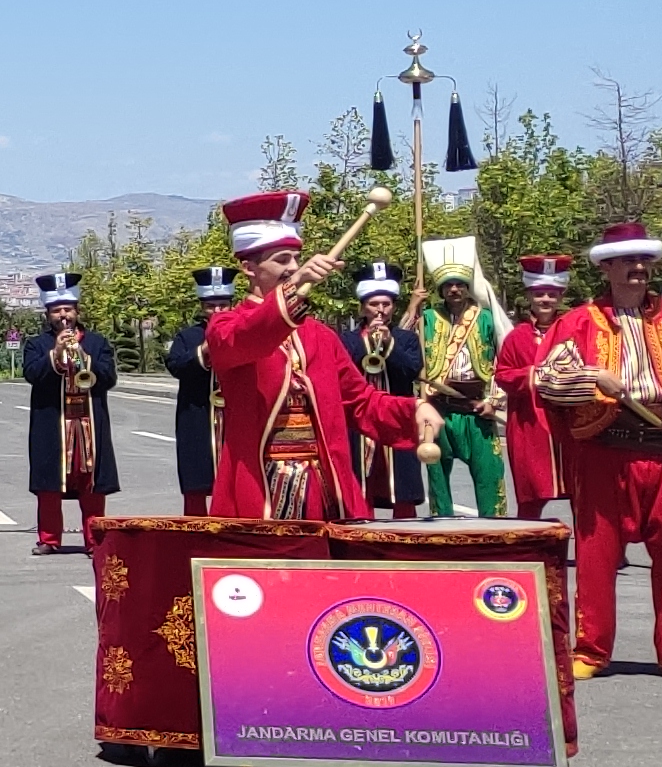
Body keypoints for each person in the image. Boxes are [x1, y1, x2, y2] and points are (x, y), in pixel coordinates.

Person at [530, 226, 662, 679]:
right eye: (628, 261)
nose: (639, 269)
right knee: (596, 555)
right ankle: (591, 650)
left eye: (645, 261)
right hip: (607, 451)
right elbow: (544, 378)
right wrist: (592, 378)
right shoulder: (578, 322)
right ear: (607, 267)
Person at [202, 189, 418, 523]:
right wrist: (293, 288)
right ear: (248, 268)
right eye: (282, 260)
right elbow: (248, 339)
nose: (294, 267)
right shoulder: (226, 326)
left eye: (296, 259)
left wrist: (415, 412)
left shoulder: (319, 335)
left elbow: (360, 401)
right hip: (263, 487)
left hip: (323, 484)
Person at [410, 240, 512, 521]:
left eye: (459, 284)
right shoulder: (428, 318)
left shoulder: (487, 319)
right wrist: (413, 306)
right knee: (437, 472)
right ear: (441, 290)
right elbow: (405, 345)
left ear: (467, 287)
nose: (454, 289)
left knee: (489, 473)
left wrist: (494, 401)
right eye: (448, 285)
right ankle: (442, 528)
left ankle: (494, 531)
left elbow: (502, 361)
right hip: (439, 407)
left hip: (476, 406)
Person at [20, 269, 119, 552]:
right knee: (50, 482)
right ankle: (49, 539)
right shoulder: (37, 344)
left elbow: (109, 378)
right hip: (52, 422)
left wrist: (83, 357)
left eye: (68, 309)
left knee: (91, 483)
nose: (63, 315)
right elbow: (32, 374)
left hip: (89, 420)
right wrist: (55, 355)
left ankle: (93, 540)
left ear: (76, 310)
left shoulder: (96, 343)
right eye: (56, 310)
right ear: (48, 314)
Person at [495, 256, 572, 518]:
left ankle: (595, 554)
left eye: (552, 294)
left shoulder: (574, 329)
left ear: (561, 296)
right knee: (531, 493)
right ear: (529, 296)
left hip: (570, 424)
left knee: (582, 493)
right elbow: (503, 375)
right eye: (540, 294)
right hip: (530, 424)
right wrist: (534, 376)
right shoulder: (517, 337)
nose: (546, 300)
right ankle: (526, 549)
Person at [345, 267, 424, 519]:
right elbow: (343, 371)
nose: (381, 309)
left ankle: (405, 533)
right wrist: (368, 341)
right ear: (362, 307)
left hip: (396, 417)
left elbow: (411, 370)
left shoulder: (406, 338)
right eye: (374, 303)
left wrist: (389, 344)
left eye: (386, 304)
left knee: (401, 481)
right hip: (359, 419)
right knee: (361, 478)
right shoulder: (347, 339)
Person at [161, 265, 231, 515]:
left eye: (223, 304)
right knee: (196, 478)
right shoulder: (187, 336)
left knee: (235, 477)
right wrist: (203, 351)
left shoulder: (242, 332)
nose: (217, 311)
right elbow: (176, 365)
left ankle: (232, 531)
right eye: (211, 306)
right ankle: (195, 530)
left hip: (235, 415)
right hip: (197, 414)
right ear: (202, 307)